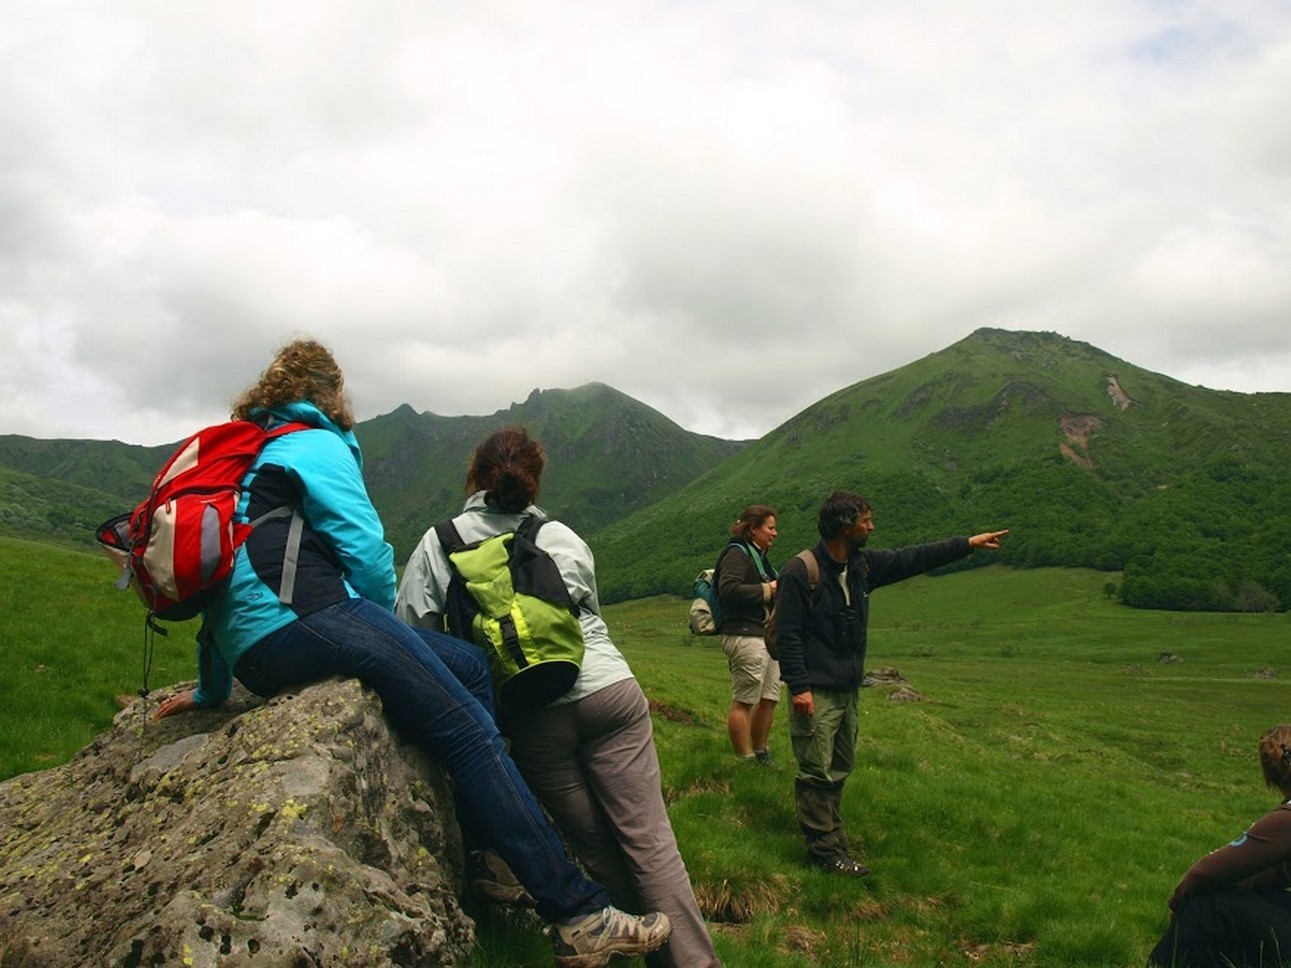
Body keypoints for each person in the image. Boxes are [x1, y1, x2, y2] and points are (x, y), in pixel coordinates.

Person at [152, 340, 670, 968]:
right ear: (330, 394)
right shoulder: (312, 443)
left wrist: (212, 689)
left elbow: (222, 584)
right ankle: (578, 914)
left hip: (256, 648)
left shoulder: (247, 453)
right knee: (468, 733)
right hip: (307, 622)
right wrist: (383, 633)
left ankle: (487, 853)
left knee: (468, 667)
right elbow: (368, 552)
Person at [396, 426, 722, 968]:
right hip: (610, 692)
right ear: (534, 479)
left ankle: (629, 941)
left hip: (532, 716)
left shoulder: (439, 541)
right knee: (650, 840)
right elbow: (588, 613)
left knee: (596, 849)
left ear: (474, 476)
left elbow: (412, 627)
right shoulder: (562, 536)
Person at [775, 490, 1006, 876]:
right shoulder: (802, 571)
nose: (872, 526)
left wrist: (967, 544)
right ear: (846, 526)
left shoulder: (862, 566)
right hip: (815, 690)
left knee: (840, 765)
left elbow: (912, 558)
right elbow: (787, 633)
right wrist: (799, 687)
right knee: (816, 769)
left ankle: (832, 836)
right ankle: (824, 853)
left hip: (847, 690)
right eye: (866, 520)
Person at [1146, 725, 1291, 968]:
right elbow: (1275, 874)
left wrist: (1179, 906)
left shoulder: (1286, 820)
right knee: (1250, 899)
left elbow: (1204, 873)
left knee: (1213, 908)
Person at [716, 504, 780, 765]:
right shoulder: (736, 554)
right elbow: (728, 590)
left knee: (768, 697)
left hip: (764, 637)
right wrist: (768, 590)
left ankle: (760, 753)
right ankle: (744, 759)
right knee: (744, 700)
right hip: (745, 635)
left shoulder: (758, 555)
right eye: (771, 528)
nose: (775, 533)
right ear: (753, 529)